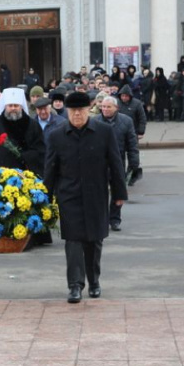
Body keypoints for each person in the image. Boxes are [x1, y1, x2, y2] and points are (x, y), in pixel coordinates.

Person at [44, 91, 127, 303]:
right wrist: (46, 197)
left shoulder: (104, 132)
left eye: (81, 111)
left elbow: (116, 164)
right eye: (73, 111)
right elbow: (50, 169)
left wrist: (119, 194)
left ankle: (94, 281)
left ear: (89, 110)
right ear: (67, 112)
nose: (77, 115)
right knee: (73, 242)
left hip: (96, 195)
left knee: (94, 241)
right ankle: (75, 285)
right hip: (68, 196)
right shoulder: (57, 135)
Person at [93, 96, 139, 231]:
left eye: (108, 107)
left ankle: (114, 219)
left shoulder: (126, 121)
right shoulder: (94, 121)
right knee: (99, 192)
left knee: (117, 191)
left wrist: (134, 162)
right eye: (103, 107)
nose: (105, 109)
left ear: (116, 108)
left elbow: (132, 144)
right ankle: (100, 219)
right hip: (98, 164)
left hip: (117, 162)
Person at [0, 87, 45, 176]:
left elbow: (40, 151)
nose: (13, 108)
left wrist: (25, 156)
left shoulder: (33, 125)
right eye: (10, 105)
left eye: (16, 105)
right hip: (0, 177)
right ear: (5, 106)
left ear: (21, 106)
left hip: (26, 177)